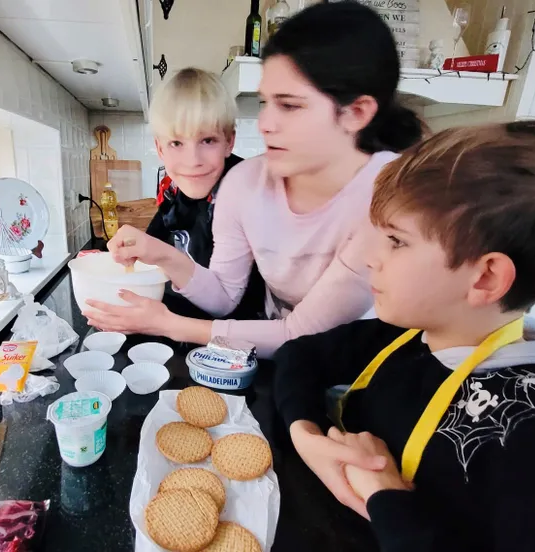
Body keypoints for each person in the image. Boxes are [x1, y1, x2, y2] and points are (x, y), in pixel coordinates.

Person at [84, 2, 425, 357]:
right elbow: (224, 297)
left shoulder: (389, 196)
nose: (265, 123)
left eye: (289, 105)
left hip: (361, 370)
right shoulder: (245, 183)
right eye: (265, 102)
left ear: (355, 113)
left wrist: (166, 323)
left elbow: (300, 334)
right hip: (280, 367)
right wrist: (162, 254)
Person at [273, 121, 535, 551]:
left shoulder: (525, 433)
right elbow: (298, 356)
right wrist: (308, 437)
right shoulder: (408, 334)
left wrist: (387, 499)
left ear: (485, 277)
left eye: (396, 241)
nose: (368, 257)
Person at [142, 67, 264, 321]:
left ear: (229, 141)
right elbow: (150, 250)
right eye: (176, 143)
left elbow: (228, 301)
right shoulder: (172, 189)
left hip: (238, 338)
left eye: (207, 140)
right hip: (183, 325)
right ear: (160, 149)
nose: (192, 161)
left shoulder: (242, 189)